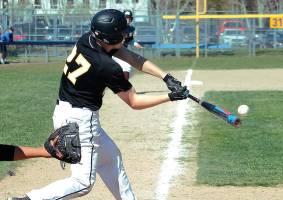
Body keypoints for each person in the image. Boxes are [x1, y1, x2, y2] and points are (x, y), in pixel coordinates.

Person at [6, 9, 188, 200]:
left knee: (111, 158)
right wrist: (170, 97)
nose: (125, 35)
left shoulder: (88, 39)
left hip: (64, 112)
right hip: (81, 121)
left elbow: (133, 58)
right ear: (109, 38)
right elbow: (134, 101)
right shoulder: (107, 67)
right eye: (121, 33)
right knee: (83, 183)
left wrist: (165, 77)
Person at [112, 9, 142, 80]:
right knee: (126, 66)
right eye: (126, 17)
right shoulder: (117, 27)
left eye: (129, 18)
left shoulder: (130, 29)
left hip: (121, 51)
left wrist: (135, 43)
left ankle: (122, 86)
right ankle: (124, 88)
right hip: (113, 51)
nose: (127, 19)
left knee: (128, 68)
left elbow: (129, 40)